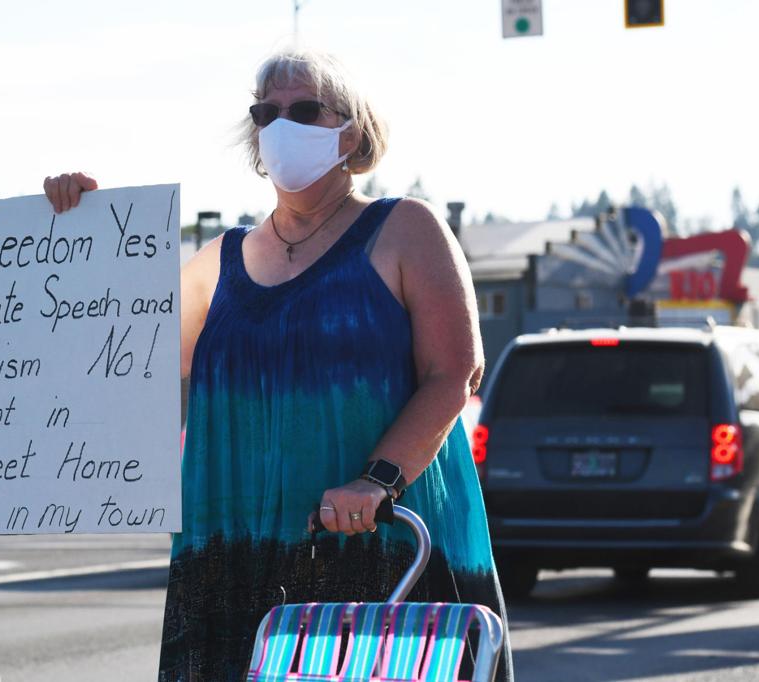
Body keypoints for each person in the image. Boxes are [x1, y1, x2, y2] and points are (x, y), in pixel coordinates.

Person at [44, 47, 513, 681]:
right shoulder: (221, 261)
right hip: (238, 560)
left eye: (303, 109)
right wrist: (79, 231)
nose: (279, 125)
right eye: (265, 112)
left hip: (381, 545)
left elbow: (455, 373)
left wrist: (375, 481)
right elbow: (118, 351)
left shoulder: (404, 229)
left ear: (350, 130)